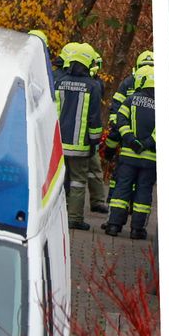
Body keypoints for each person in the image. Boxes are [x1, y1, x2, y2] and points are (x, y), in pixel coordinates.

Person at [104, 49, 157, 241]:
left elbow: (120, 120)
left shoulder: (130, 99)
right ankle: (137, 230)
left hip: (128, 155)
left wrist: (130, 141)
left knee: (121, 189)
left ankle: (113, 226)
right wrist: (147, 143)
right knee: (143, 193)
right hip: (150, 158)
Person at [54, 40, 106, 222]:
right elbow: (94, 118)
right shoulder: (93, 86)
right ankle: (74, 218)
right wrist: (95, 142)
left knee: (58, 180)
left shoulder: (60, 82)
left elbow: (53, 111)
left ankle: (55, 216)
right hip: (80, 146)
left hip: (58, 143)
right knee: (77, 181)